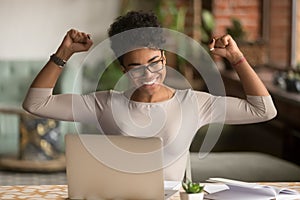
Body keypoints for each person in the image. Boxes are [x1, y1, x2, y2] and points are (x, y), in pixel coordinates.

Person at [23, 11, 277, 181]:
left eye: (155, 62)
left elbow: (264, 110)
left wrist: (236, 58)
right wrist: (63, 53)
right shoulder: (107, 104)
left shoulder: (193, 103)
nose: (149, 74)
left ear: (165, 58)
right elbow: (36, 103)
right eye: (136, 68)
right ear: (123, 70)